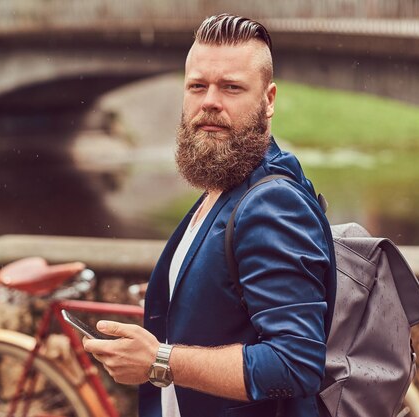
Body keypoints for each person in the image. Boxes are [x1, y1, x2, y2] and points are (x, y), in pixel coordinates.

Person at [83, 14, 336, 417]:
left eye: (232, 87)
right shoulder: (224, 184)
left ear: (269, 100)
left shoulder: (272, 205)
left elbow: (296, 363)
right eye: (197, 86)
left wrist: (159, 360)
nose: (210, 101)